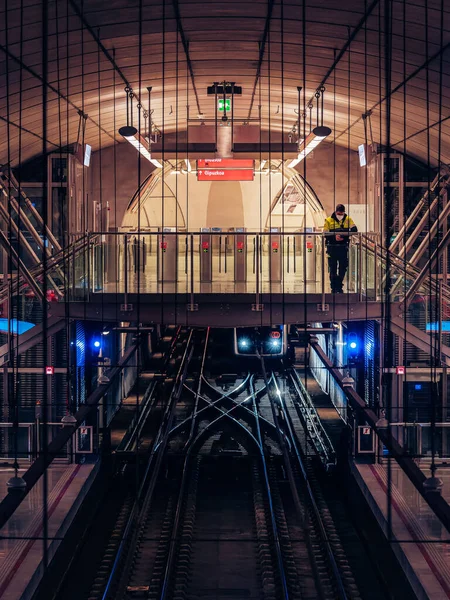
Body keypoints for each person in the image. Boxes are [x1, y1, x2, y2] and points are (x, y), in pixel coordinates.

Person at [323, 204, 357, 293]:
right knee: (333, 268)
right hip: (332, 247)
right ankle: (334, 286)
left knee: (343, 267)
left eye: (341, 213)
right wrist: (335, 237)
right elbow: (325, 233)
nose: (340, 214)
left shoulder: (348, 219)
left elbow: (354, 230)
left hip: (343, 247)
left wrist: (343, 235)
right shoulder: (328, 220)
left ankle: (339, 284)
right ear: (336, 211)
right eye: (339, 213)